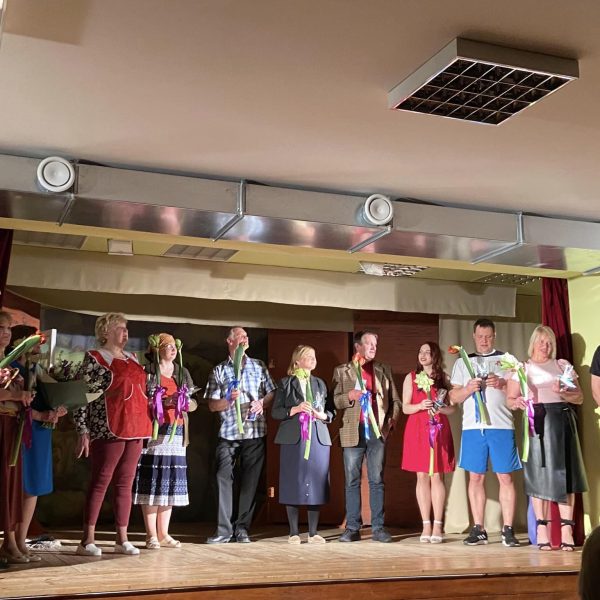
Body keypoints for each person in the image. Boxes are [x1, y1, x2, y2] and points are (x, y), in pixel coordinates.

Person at [74, 313, 152, 557]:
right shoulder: (95, 358)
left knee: (125, 483)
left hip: (136, 427)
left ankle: (122, 538)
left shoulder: (133, 358)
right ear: (105, 332)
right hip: (108, 426)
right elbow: (81, 396)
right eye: (120, 328)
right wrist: (82, 429)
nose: (125, 332)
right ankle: (87, 540)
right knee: (101, 481)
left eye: (126, 328)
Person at [506, 325, 588, 551]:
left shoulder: (562, 366)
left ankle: (567, 529)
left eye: (549, 342)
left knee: (567, 476)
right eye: (541, 341)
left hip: (563, 420)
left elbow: (579, 397)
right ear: (533, 343)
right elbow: (510, 399)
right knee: (538, 475)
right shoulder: (522, 368)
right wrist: (517, 402)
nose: (546, 346)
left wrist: (563, 392)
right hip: (538, 421)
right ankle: (542, 528)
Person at [449, 318, 521, 547]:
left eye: (488, 337)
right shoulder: (463, 362)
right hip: (473, 427)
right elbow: (453, 397)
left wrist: (502, 383)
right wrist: (468, 389)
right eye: (480, 336)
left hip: (501, 426)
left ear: (494, 336)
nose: (484, 341)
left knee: (505, 477)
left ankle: (507, 529)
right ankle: (479, 528)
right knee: (475, 477)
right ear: (473, 336)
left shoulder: (507, 360)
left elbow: (520, 391)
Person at [205, 326, 275, 544]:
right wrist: (227, 400)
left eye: (247, 336)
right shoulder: (219, 370)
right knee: (222, 478)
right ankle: (224, 530)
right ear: (230, 341)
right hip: (229, 433)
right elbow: (212, 405)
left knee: (250, 482)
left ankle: (242, 529)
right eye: (241, 336)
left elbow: (272, 392)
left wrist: (261, 403)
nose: (245, 339)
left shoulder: (258, 365)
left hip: (254, 431)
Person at [333, 330, 401, 543]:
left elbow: (396, 401)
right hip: (352, 431)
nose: (373, 347)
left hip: (377, 432)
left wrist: (390, 423)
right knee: (352, 481)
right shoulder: (342, 371)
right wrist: (350, 396)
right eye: (369, 343)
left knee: (377, 480)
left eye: (375, 344)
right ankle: (352, 528)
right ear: (358, 346)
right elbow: (335, 401)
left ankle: (378, 528)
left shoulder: (383, 369)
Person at [133, 333, 197, 549]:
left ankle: (164, 533)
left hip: (176, 431)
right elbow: (140, 400)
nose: (172, 349)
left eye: (174, 346)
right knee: (153, 480)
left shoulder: (182, 372)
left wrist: (185, 403)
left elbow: (194, 401)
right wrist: (163, 402)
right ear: (157, 349)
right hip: (155, 431)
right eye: (167, 346)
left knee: (169, 481)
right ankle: (151, 534)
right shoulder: (148, 371)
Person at [11, 325, 67, 563]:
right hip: (21, 430)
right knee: (19, 484)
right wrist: (39, 414)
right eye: (35, 341)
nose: (39, 346)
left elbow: (47, 398)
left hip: (41, 432)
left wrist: (58, 409)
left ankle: (21, 540)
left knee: (33, 486)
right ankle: (11, 541)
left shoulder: (37, 369)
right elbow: (16, 405)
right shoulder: (12, 367)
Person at [272, 345, 334, 544]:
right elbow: (276, 412)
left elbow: (330, 412)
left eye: (314, 356)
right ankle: (293, 532)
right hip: (294, 438)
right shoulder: (285, 383)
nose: (313, 359)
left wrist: (321, 415)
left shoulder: (320, 383)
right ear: (297, 361)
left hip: (317, 436)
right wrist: (296, 409)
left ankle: (313, 532)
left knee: (316, 482)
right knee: (293, 480)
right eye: (308, 356)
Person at [401, 342, 455, 544]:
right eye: (420, 351)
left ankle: (438, 525)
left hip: (438, 429)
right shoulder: (411, 377)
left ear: (435, 356)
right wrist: (419, 405)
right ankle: (426, 525)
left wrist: (441, 409)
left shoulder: (444, 378)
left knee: (437, 475)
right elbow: (405, 407)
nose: (423, 355)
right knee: (421, 476)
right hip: (417, 429)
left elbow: (453, 408)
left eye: (427, 352)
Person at [0, 311, 34, 567]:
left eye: (9, 329)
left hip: (12, 426)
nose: (5, 333)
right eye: (1, 328)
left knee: (11, 483)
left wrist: (26, 398)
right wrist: (14, 396)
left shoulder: (11, 364)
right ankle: (10, 543)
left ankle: (10, 540)